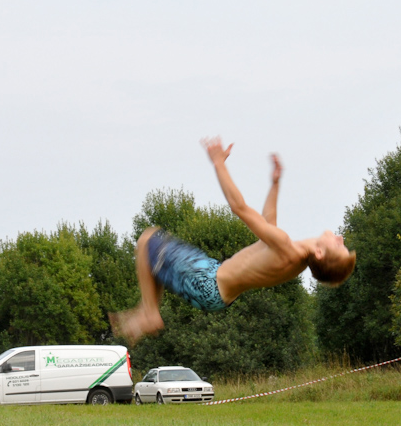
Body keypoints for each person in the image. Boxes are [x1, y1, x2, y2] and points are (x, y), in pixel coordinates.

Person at [111, 137, 356, 342]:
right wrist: (275, 184)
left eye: (339, 246)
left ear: (321, 254)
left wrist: (218, 164)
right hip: (217, 287)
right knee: (156, 260)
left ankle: (149, 312)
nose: (340, 237)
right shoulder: (294, 259)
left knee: (147, 240)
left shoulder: (286, 247)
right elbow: (268, 223)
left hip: (208, 282)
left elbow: (239, 207)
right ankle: (148, 310)